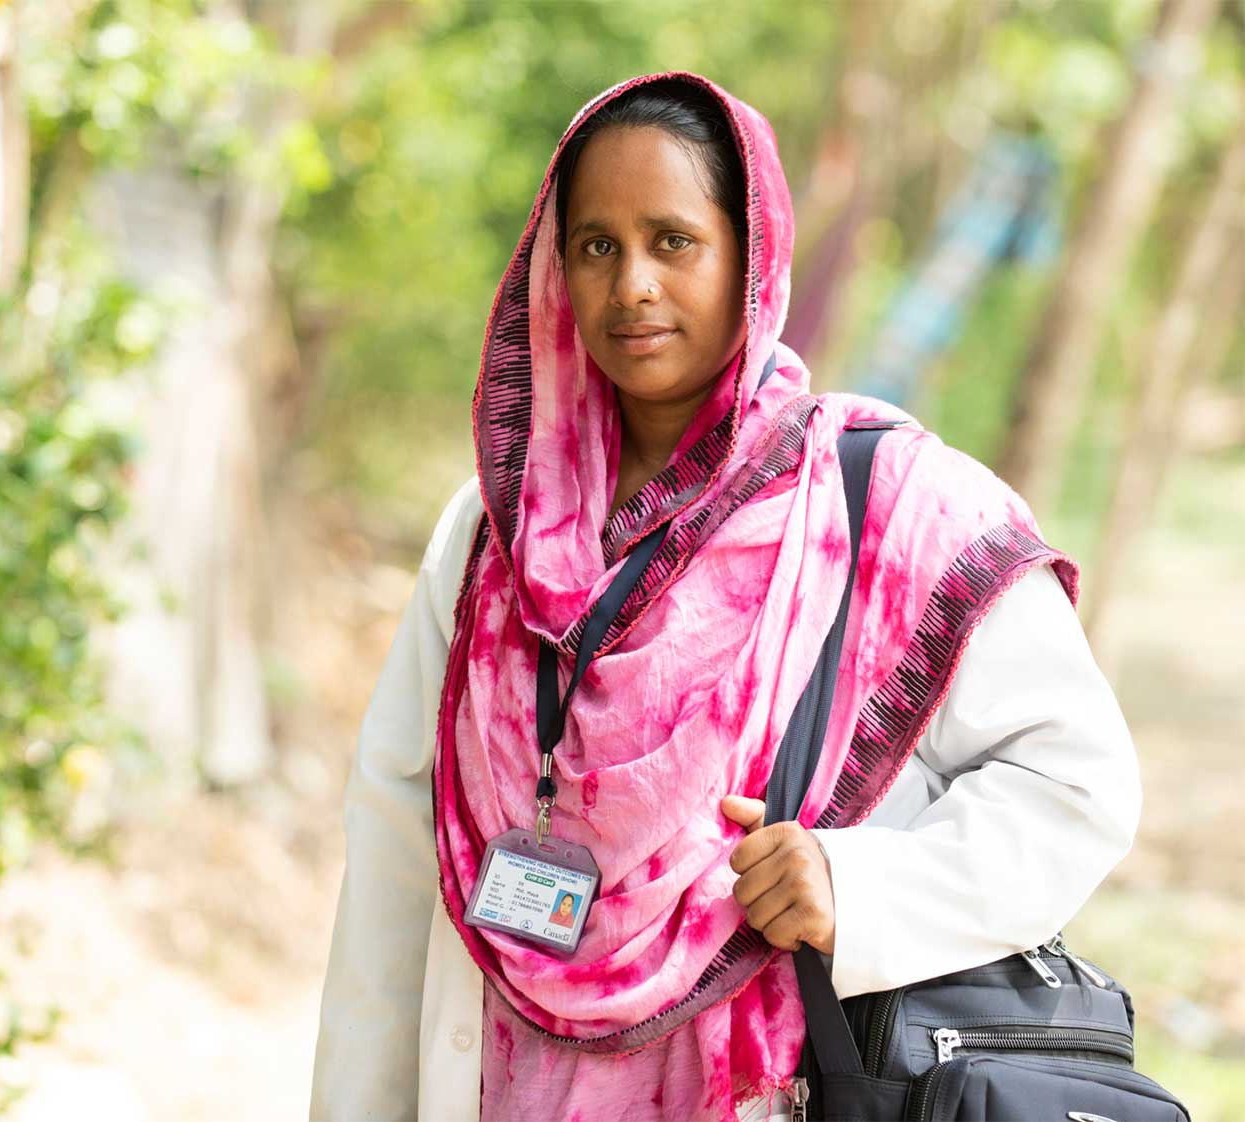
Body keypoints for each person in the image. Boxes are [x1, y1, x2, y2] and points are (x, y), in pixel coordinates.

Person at [310, 70, 1140, 1122]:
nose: (632, 286)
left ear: (753, 255)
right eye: (596, 245)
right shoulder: (490, 535)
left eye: (673, 240)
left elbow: (1077, 784)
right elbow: (393, 859)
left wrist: (863, 885)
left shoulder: (890, 507)